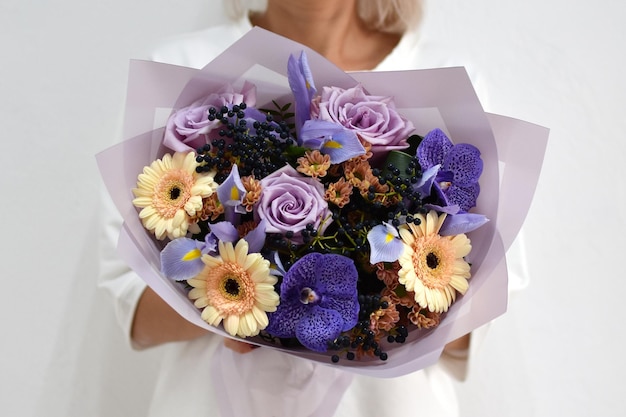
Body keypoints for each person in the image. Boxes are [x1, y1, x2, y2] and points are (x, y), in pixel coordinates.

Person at [99, 1, 492, 415]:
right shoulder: (180, 66)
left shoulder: (447, 79)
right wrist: (236, 299)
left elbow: (474, 323)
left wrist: (380, 293)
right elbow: (132, 308)